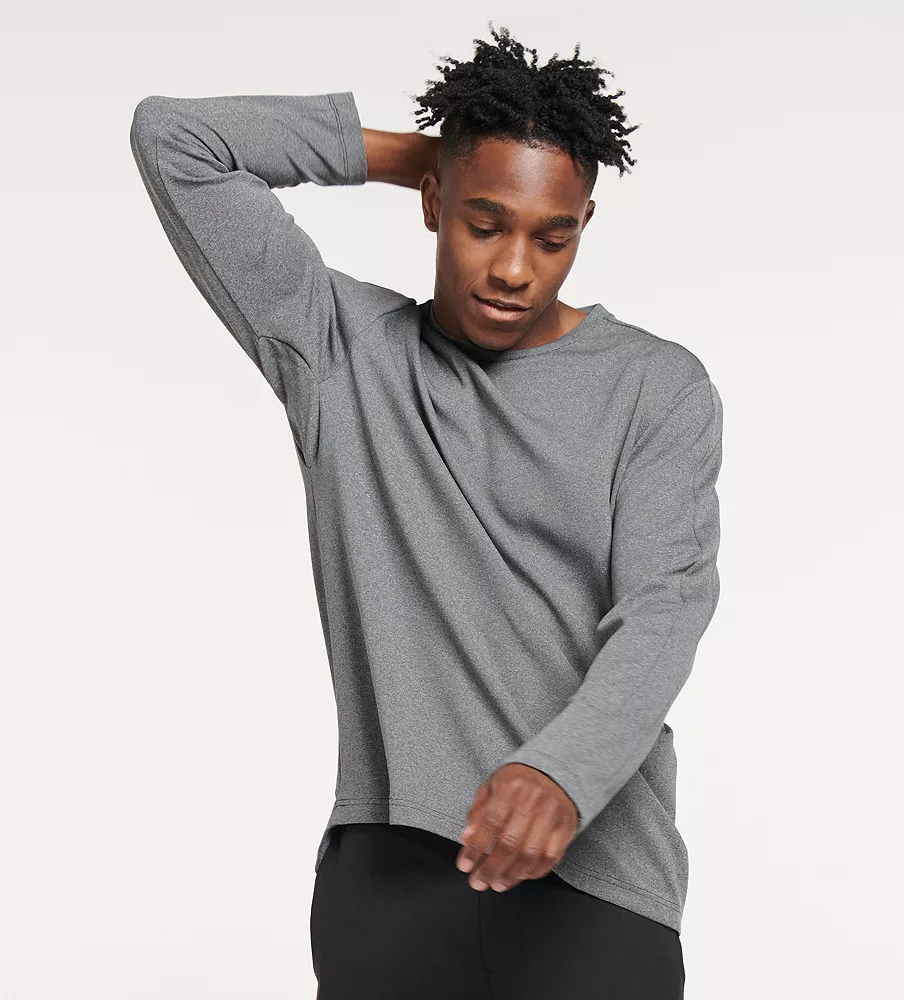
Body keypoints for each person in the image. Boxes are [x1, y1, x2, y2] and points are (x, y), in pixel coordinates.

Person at [129, 21, 722, 999]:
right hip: (388, 871)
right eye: (485, 222)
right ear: (435, 204)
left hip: (595, 878)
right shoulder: (338, 348)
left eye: (552, 236)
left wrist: (563, 772)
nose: (515, 268)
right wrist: (418, 155)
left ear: (584, 226)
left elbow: (667, 606)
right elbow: (176, 141)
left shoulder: (654, 387)